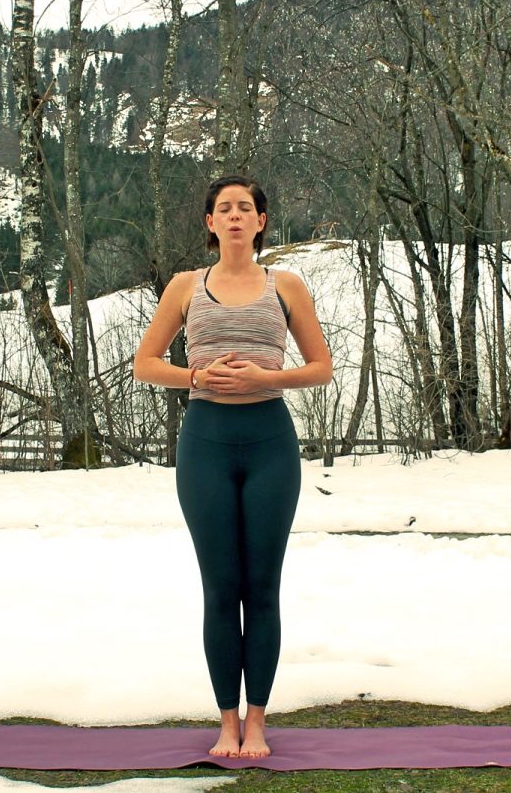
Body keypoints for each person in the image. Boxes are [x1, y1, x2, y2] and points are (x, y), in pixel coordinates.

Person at [133, 175, 333, 759]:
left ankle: (259, 721)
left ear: (262, 221)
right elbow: (146, 363)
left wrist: (266, 379)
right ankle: (226, 722)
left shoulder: (287, 285)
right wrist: (194, 376)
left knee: (262, 587)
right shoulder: (185, 287)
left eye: (247, 207)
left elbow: (320, 367)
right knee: (221, 588)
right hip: (206, 443)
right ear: (211, 223)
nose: (236, 216)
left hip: (270, 441)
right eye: (225, 208)